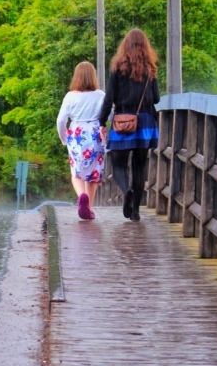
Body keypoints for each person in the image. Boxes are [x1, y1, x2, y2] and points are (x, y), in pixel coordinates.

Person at [98, 28, 160, 222]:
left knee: (118, 164)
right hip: (146, 122)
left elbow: (109, 98)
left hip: (123, 122)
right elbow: (156, 98)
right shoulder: (151, 68)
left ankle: (126, 191)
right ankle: (135, 212)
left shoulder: (117, 67)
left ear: (125, 45)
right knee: (139, 166)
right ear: (145, 46)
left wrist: (102, 121)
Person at [56, 61, 106, 220]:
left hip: (76, 134)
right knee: (93, 173)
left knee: (76, 173)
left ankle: (81, 195)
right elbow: (110, 115)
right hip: (95, 134)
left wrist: (64, 138)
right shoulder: (100, 95)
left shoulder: (70, 96)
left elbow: (60, 121)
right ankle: (89, 208)